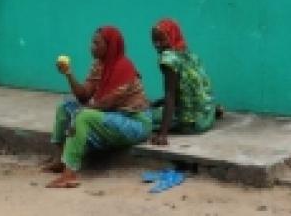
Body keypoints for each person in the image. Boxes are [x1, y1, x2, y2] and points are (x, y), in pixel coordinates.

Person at [43, 26, 152, 188]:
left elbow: (107, 103)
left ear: (110, 46)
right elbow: (84, 95)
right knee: (65, 107)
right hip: (112, 115)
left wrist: (83, 111)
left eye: (96, 43)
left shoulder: (124, 68)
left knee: (83, 116)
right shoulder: (99, 65)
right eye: (92, 43)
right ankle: (60, 160)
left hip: (135, 122)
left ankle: (70, 174)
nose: (91, 47)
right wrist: (68, 74)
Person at [150, 18, 218, 146]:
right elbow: (184, 89)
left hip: (191, 124)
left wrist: (162, 134)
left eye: (161, 40)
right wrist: (156, 102)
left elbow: (171, 95)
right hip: (207, 116)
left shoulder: (168, 59)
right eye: (154, 40)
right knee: (155, 107)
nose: (157, 44)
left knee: (144, 118)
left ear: (171, 36)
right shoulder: (188, 54)